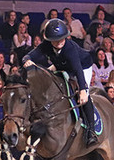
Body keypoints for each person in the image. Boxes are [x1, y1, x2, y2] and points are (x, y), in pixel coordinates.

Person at [23, 18, 98, 146]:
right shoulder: (46, 45)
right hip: (63, 65)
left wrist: (83, 90)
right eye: (55, 40)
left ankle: (91, 131)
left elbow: (78, 70)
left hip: (82, 66)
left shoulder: (69, 48)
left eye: (62, 38)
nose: (59, 42)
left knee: (84, 97)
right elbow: (29, 55)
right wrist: (27, 60)